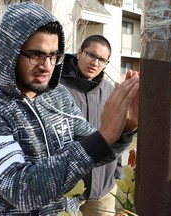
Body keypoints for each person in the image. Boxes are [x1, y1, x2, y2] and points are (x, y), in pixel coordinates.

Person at [0, 2, 139, 216]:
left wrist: (124, 130)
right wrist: (104, 135)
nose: (47, 66)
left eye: (54, 55)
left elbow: (94, 152)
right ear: (9, 53)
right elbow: (20, 189)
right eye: (36, 55)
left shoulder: (57, 95)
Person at [60, 35, 124, 215]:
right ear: (79, 52)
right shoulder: (56, 87)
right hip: (67, 190)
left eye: (102, 59)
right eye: (91, 55)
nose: (95, 62)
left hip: (103, 189)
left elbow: (117, 132)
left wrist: (117, 171)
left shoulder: (110, 91)